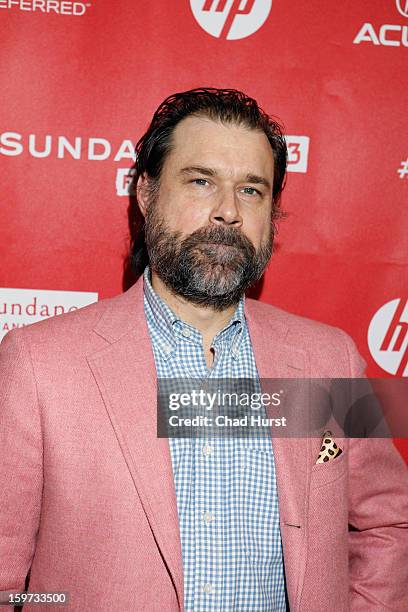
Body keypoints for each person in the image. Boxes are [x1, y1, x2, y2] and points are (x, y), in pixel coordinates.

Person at [0, 88, 407, 612]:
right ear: (146, 194)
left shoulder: (328, 360)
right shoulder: (39, 367)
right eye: (200, 181)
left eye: (252, 191)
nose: (227, 212)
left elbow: (389, 522)